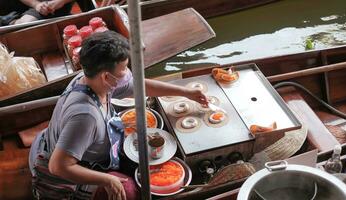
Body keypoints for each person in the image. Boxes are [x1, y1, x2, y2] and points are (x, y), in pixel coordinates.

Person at [29, 30, 208, 200]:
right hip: (63, 172)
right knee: (128, 190)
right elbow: (58, 166)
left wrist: (186, 92)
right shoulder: (85, 117)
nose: (127, 73)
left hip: (66, 146)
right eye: (124, 69)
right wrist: (107, 180)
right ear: (106, 76)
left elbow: (139, 86)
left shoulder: (92, 81)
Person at [0, 0, 74, 26]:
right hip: (33, 4)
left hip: (53, 6)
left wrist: (61, 1)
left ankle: (12, 21)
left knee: (25, 24)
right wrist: (35, 4)